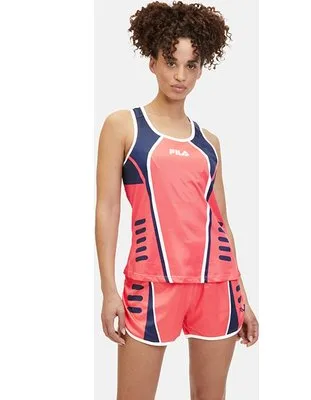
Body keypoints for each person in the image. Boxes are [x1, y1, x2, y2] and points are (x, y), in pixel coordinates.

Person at [95, 1, 259, 398]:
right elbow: (107, 209)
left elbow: (221, 221)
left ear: (201, 69)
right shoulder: (124, 126)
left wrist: (243, 297)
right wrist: (108, 290)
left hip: (217, 285)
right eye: (171, 62)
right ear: (152, 62)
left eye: (191, 65)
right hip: (151, 284)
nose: (180, 75)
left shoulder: (209, 143)